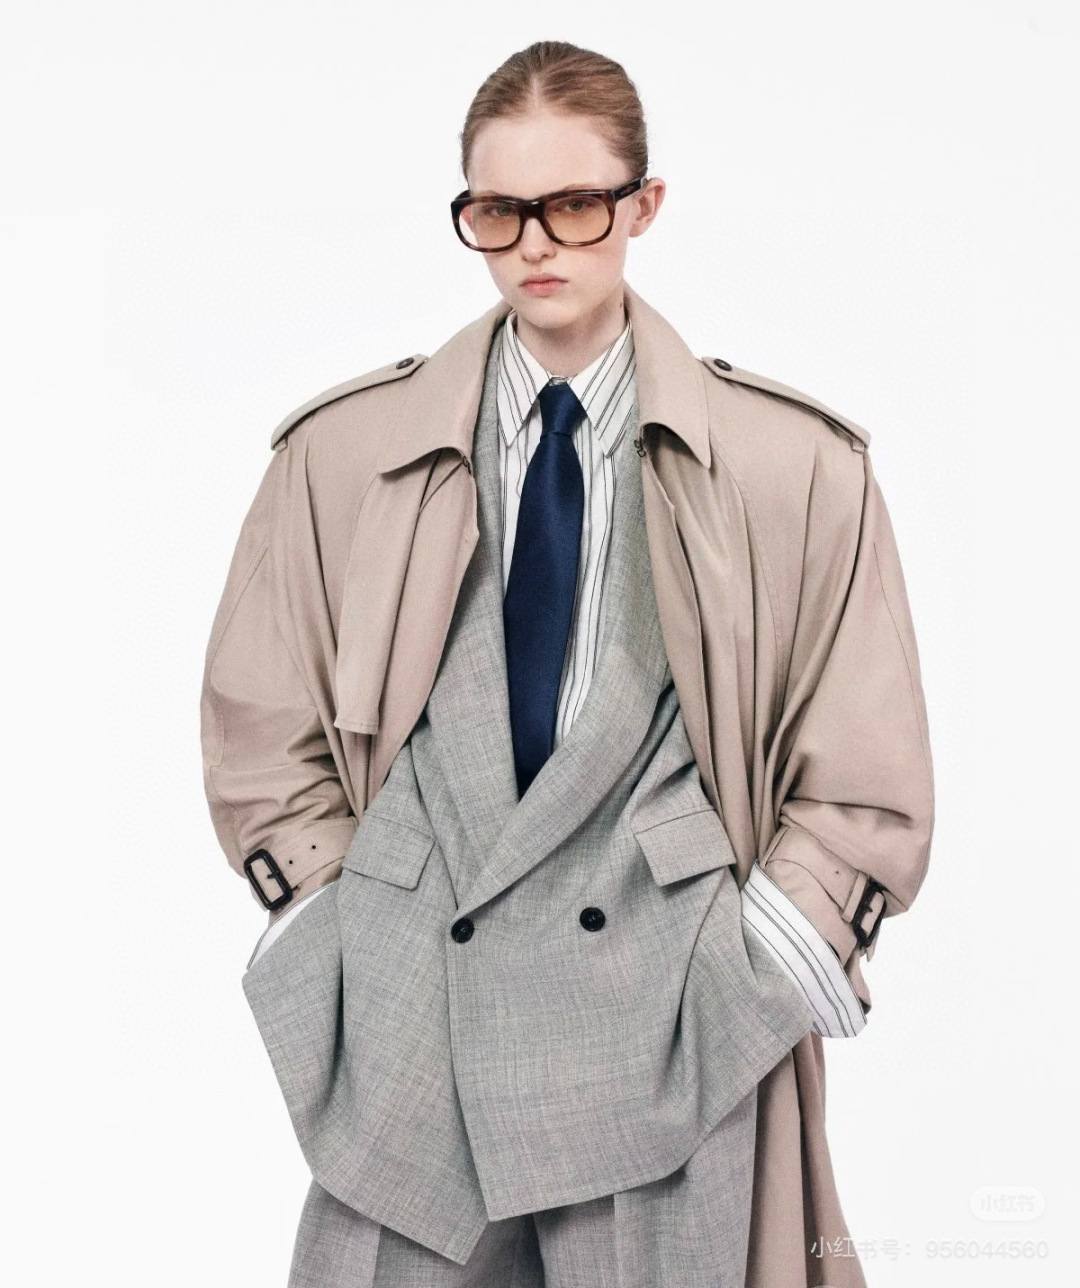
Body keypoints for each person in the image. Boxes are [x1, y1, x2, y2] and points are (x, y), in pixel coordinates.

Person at [200, 39, 934, 1288]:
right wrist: (339, 932)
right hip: (410, 1040)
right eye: (499, 210)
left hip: (666, 1035)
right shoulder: (341, 455)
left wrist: (743, 980)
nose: (536, 244)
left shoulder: (796, 469)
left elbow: (868, 783)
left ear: (644, 205)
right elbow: (258, 727)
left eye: (576, 204)